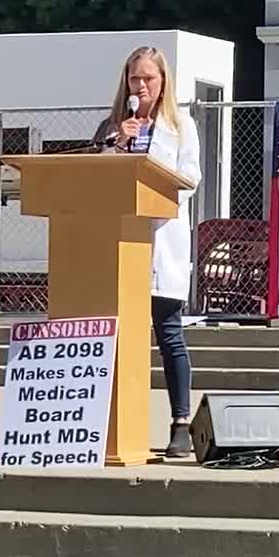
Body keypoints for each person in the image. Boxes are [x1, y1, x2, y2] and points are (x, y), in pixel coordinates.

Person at [93, 46, 201, 458]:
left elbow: (190, 176)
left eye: (149, 79)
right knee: (120, 335)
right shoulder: (113, 125)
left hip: (161, 243)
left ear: (163, 82)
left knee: (168, 333)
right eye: (135, 79)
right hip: (120, 241)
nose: (141, 87)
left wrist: (154, 167)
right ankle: (113, 420)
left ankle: (180, 423)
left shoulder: (180, 124)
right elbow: (97, 174)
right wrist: (118, 143)